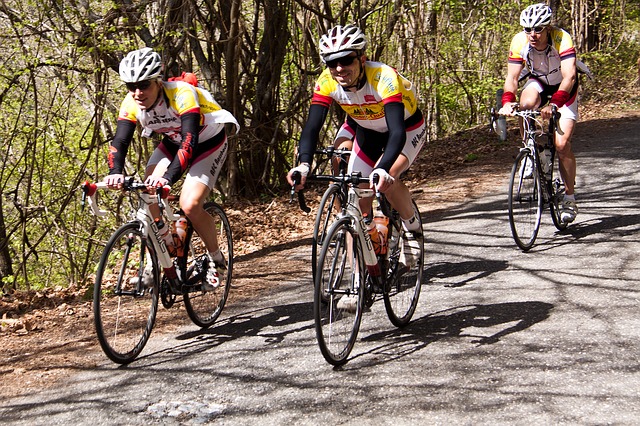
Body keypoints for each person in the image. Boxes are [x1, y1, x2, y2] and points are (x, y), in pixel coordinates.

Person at [286, 24, 426, 267]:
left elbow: (396, 131)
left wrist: (382, 168)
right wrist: (304, 165)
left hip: (405, 128)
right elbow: (311, 127)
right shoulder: (326, 82)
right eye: (332, 63)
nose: (340, 68)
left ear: (361, 58)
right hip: (367, 129)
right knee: (353, 184)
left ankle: (412, 229)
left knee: (388, 178)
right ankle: (366, 239)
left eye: (346, 59)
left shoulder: (383, 77)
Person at [103, 47, 239, 290]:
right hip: (173, 141)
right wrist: (115, 172)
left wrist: (168, 178)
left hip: (207, 141)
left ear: (158, 81)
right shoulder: (131, 101)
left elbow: (190, 140)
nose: (137, 92)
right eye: (130, 86)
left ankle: (216, 260)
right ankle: (164, 246)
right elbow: (120, 141)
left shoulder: (181, 93)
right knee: (146, 190)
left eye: (144, 84)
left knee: (190, 204)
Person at [499, 3, 580, 223]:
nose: (532, 35)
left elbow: (570, 76)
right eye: (527, 30)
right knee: (525, 106)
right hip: (540, 82)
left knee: (562, 146)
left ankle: (569, 197)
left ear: (547, 28)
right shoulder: (519, 42)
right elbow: (512, 78)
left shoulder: (561, 38)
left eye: (537, 29)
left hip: (564, 88)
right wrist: (508, 101)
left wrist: (555, 104)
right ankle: (530, 150)